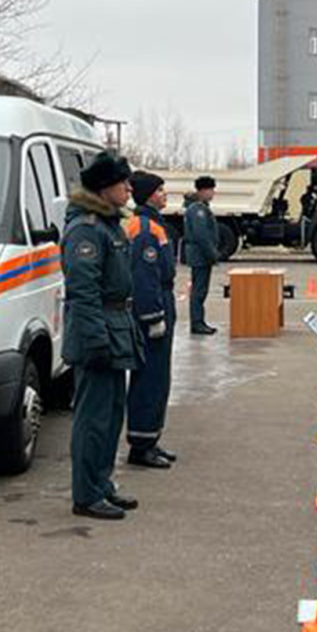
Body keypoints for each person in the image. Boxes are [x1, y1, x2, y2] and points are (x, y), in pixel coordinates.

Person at [62, 151, 142, 520]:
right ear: (104, 187)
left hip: (114, 329)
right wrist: (97, 340)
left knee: (110, 416)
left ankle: (101, 484)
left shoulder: (107, 224)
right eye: (122, 182)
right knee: (93, 418)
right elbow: (83, 291)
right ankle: (86, 494)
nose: (129, 187)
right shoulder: (87, 229)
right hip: (99, 333)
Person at [123, 171, 178, 470]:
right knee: (150, 378)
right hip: (153, 307)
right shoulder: (145, 229)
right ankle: (141, 445)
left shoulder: (154, 224)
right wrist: (153, 316)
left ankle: (151, 438)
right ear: (147, 195)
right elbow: (145, 278)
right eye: (160, 190)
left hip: (163, 300)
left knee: (160, 377)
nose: (165, 194)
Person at [182, 175, 221, 336]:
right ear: (203, 190)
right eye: (211, 190)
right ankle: (197, 323)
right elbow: (201, 236)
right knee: (199, 291)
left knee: (200, 290)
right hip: (200, 256)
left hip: (199, 255)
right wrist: (212, 255)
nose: (213, 193)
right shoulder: (197, 210)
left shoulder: (198, 207)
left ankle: (199, 321)